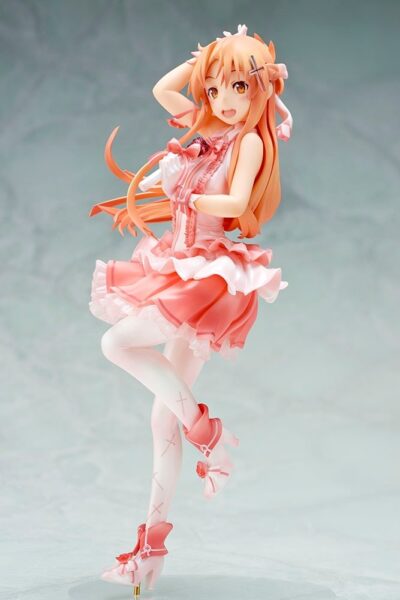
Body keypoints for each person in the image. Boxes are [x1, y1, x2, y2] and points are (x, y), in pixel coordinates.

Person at [88, 23, 292, 596]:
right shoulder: (203, 123)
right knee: (160, 419)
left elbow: (235, 200)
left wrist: (186, 192)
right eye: (216, 89)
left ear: (260, 91)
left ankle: (208, 433)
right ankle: (149, 553)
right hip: (175, 262)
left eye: (239, 89)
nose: (225, 101)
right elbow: (163, 90)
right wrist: (206, 58)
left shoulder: (249, 142)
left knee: (116, 343)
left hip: (209, 273)